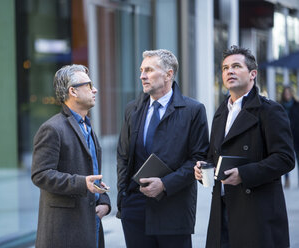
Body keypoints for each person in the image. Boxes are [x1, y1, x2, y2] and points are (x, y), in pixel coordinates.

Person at [194, 45, 295, 248]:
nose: (229, 71)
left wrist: (244, 174)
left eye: (236, 66)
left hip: (257, 212)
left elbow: (285, 158)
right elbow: (215, 156)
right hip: (222, 209)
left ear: (252, 74)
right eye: (224, 68)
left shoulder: (270, 110)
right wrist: (203, 167)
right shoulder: (221, 112)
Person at [117, 49, 209, 248]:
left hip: (174, 209)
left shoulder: (193, 111)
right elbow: (123, 156)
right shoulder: (132, 110)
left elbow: (198, 158)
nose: (142, 75)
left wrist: (165, 184)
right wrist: (124, 198)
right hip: (135, 210)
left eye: (149, 70)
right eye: (141, 70)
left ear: (168, 74)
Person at [31, 64, 111, 248]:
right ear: (73, 91)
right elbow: (40, 175)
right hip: (65, 233)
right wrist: (82, 183)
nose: (95, 90)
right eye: (89, 85)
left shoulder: (87, 125)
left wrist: (104, 200)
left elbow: (91, 172)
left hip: (90, 226)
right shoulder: (52, 128)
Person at [280, 85, 299, 188]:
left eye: (289, 93)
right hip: (285, 136)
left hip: (297, 136)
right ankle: (287, 179)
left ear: (292, 94)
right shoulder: (279, 106)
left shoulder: (297, 105)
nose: (287, 95)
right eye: (285, 93)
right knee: (286, 157)